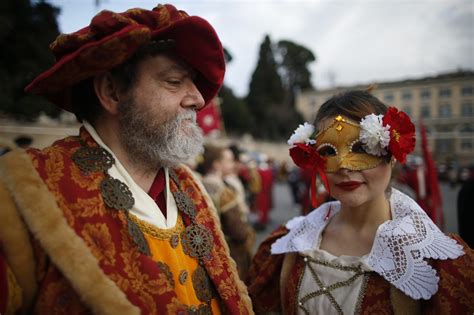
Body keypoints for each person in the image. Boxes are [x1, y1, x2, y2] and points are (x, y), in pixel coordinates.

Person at [0, 4, 253, 314]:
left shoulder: (192, 189)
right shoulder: (24, 192)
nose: (198, 99)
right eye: (174, 81)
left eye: (195, 83)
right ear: (112, 92)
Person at [247, 90, 473, 314]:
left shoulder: (435, 262)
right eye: (328, 151)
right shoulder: (289, 243)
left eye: (362, 147)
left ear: (393, 154)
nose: (344, 165)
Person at [198, 144, 255, 280]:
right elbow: (239, 232)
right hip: (226, 253)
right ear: (217, 164)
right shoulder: (223, 192)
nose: (232, 164)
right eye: (228, 160)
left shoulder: (197, 185)